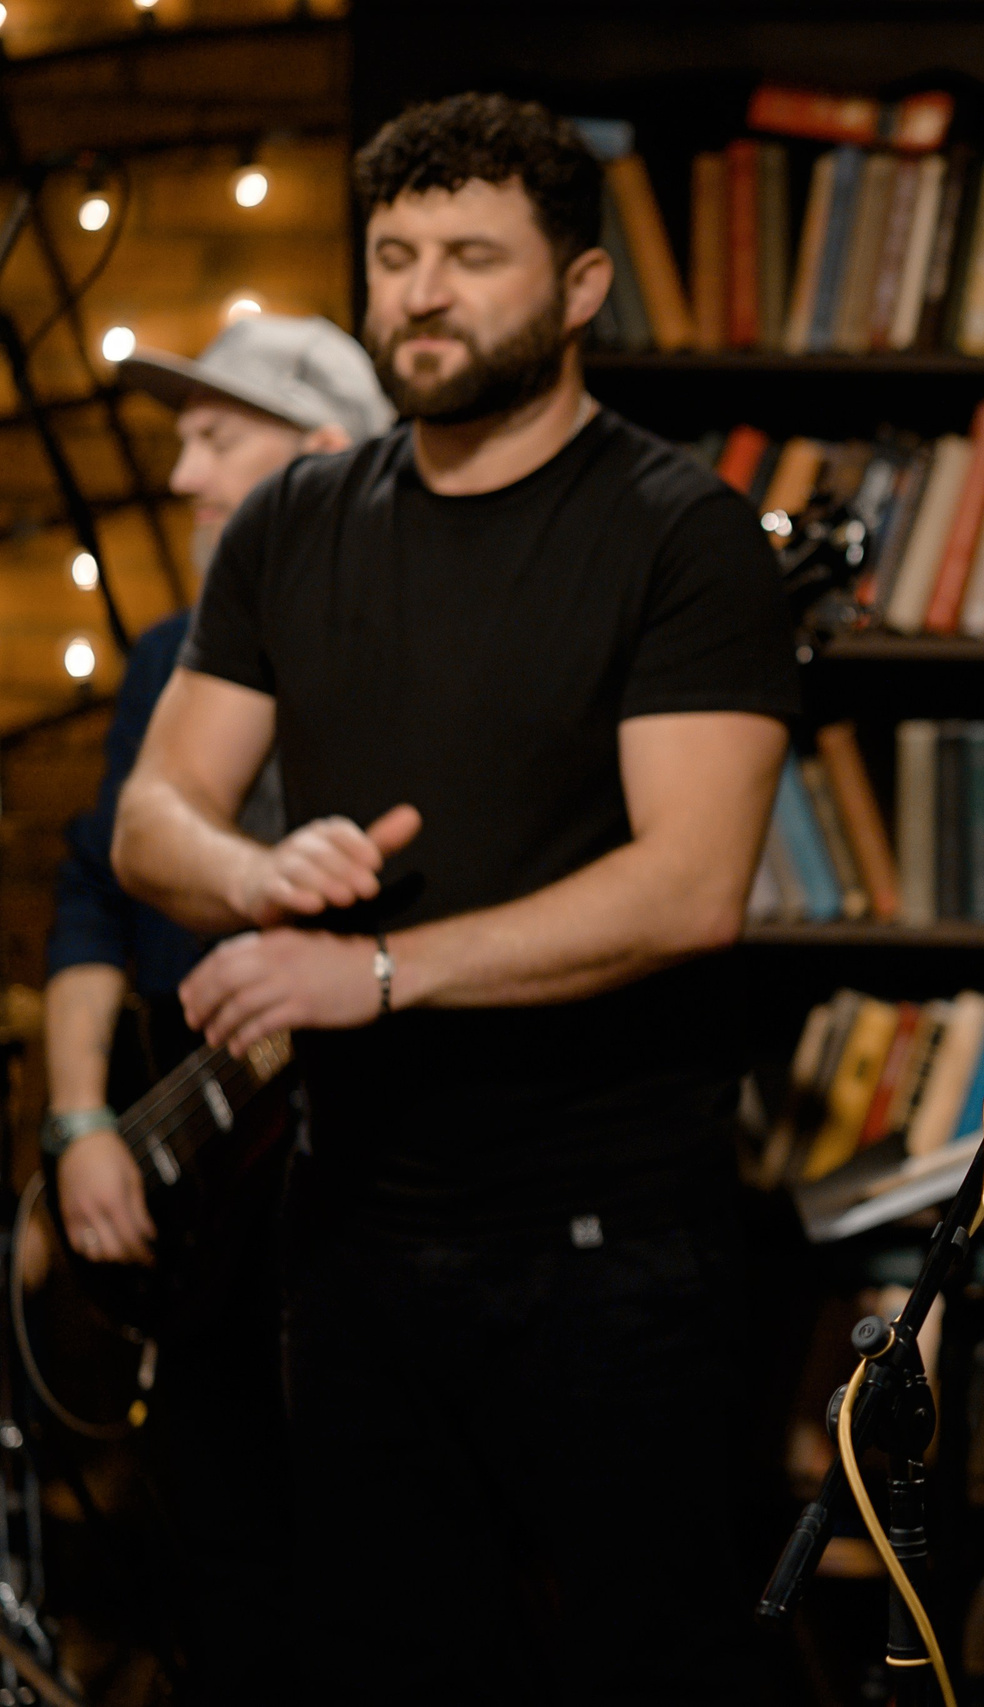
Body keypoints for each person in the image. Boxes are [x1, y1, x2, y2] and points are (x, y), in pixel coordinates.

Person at [110, 93, 796, 1706]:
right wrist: (255, 875)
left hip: (613, 1243)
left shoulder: (678, 533)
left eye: (471, 257)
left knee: (648, 1674)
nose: (420, 291)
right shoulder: (293, 519)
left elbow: (692, 889)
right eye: (396, 256)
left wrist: (382, 973)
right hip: (351, 1233)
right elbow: (156, 814)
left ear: (577, 289)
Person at [40, 312, 391, 1707]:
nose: (182, 477)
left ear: (319, 461)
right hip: (187, 1188)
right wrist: (80, 1125)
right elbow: (89, 894)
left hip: (353, 1199)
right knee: (220, 1563)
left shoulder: (412, 657)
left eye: (214, 440)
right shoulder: (166, 661)